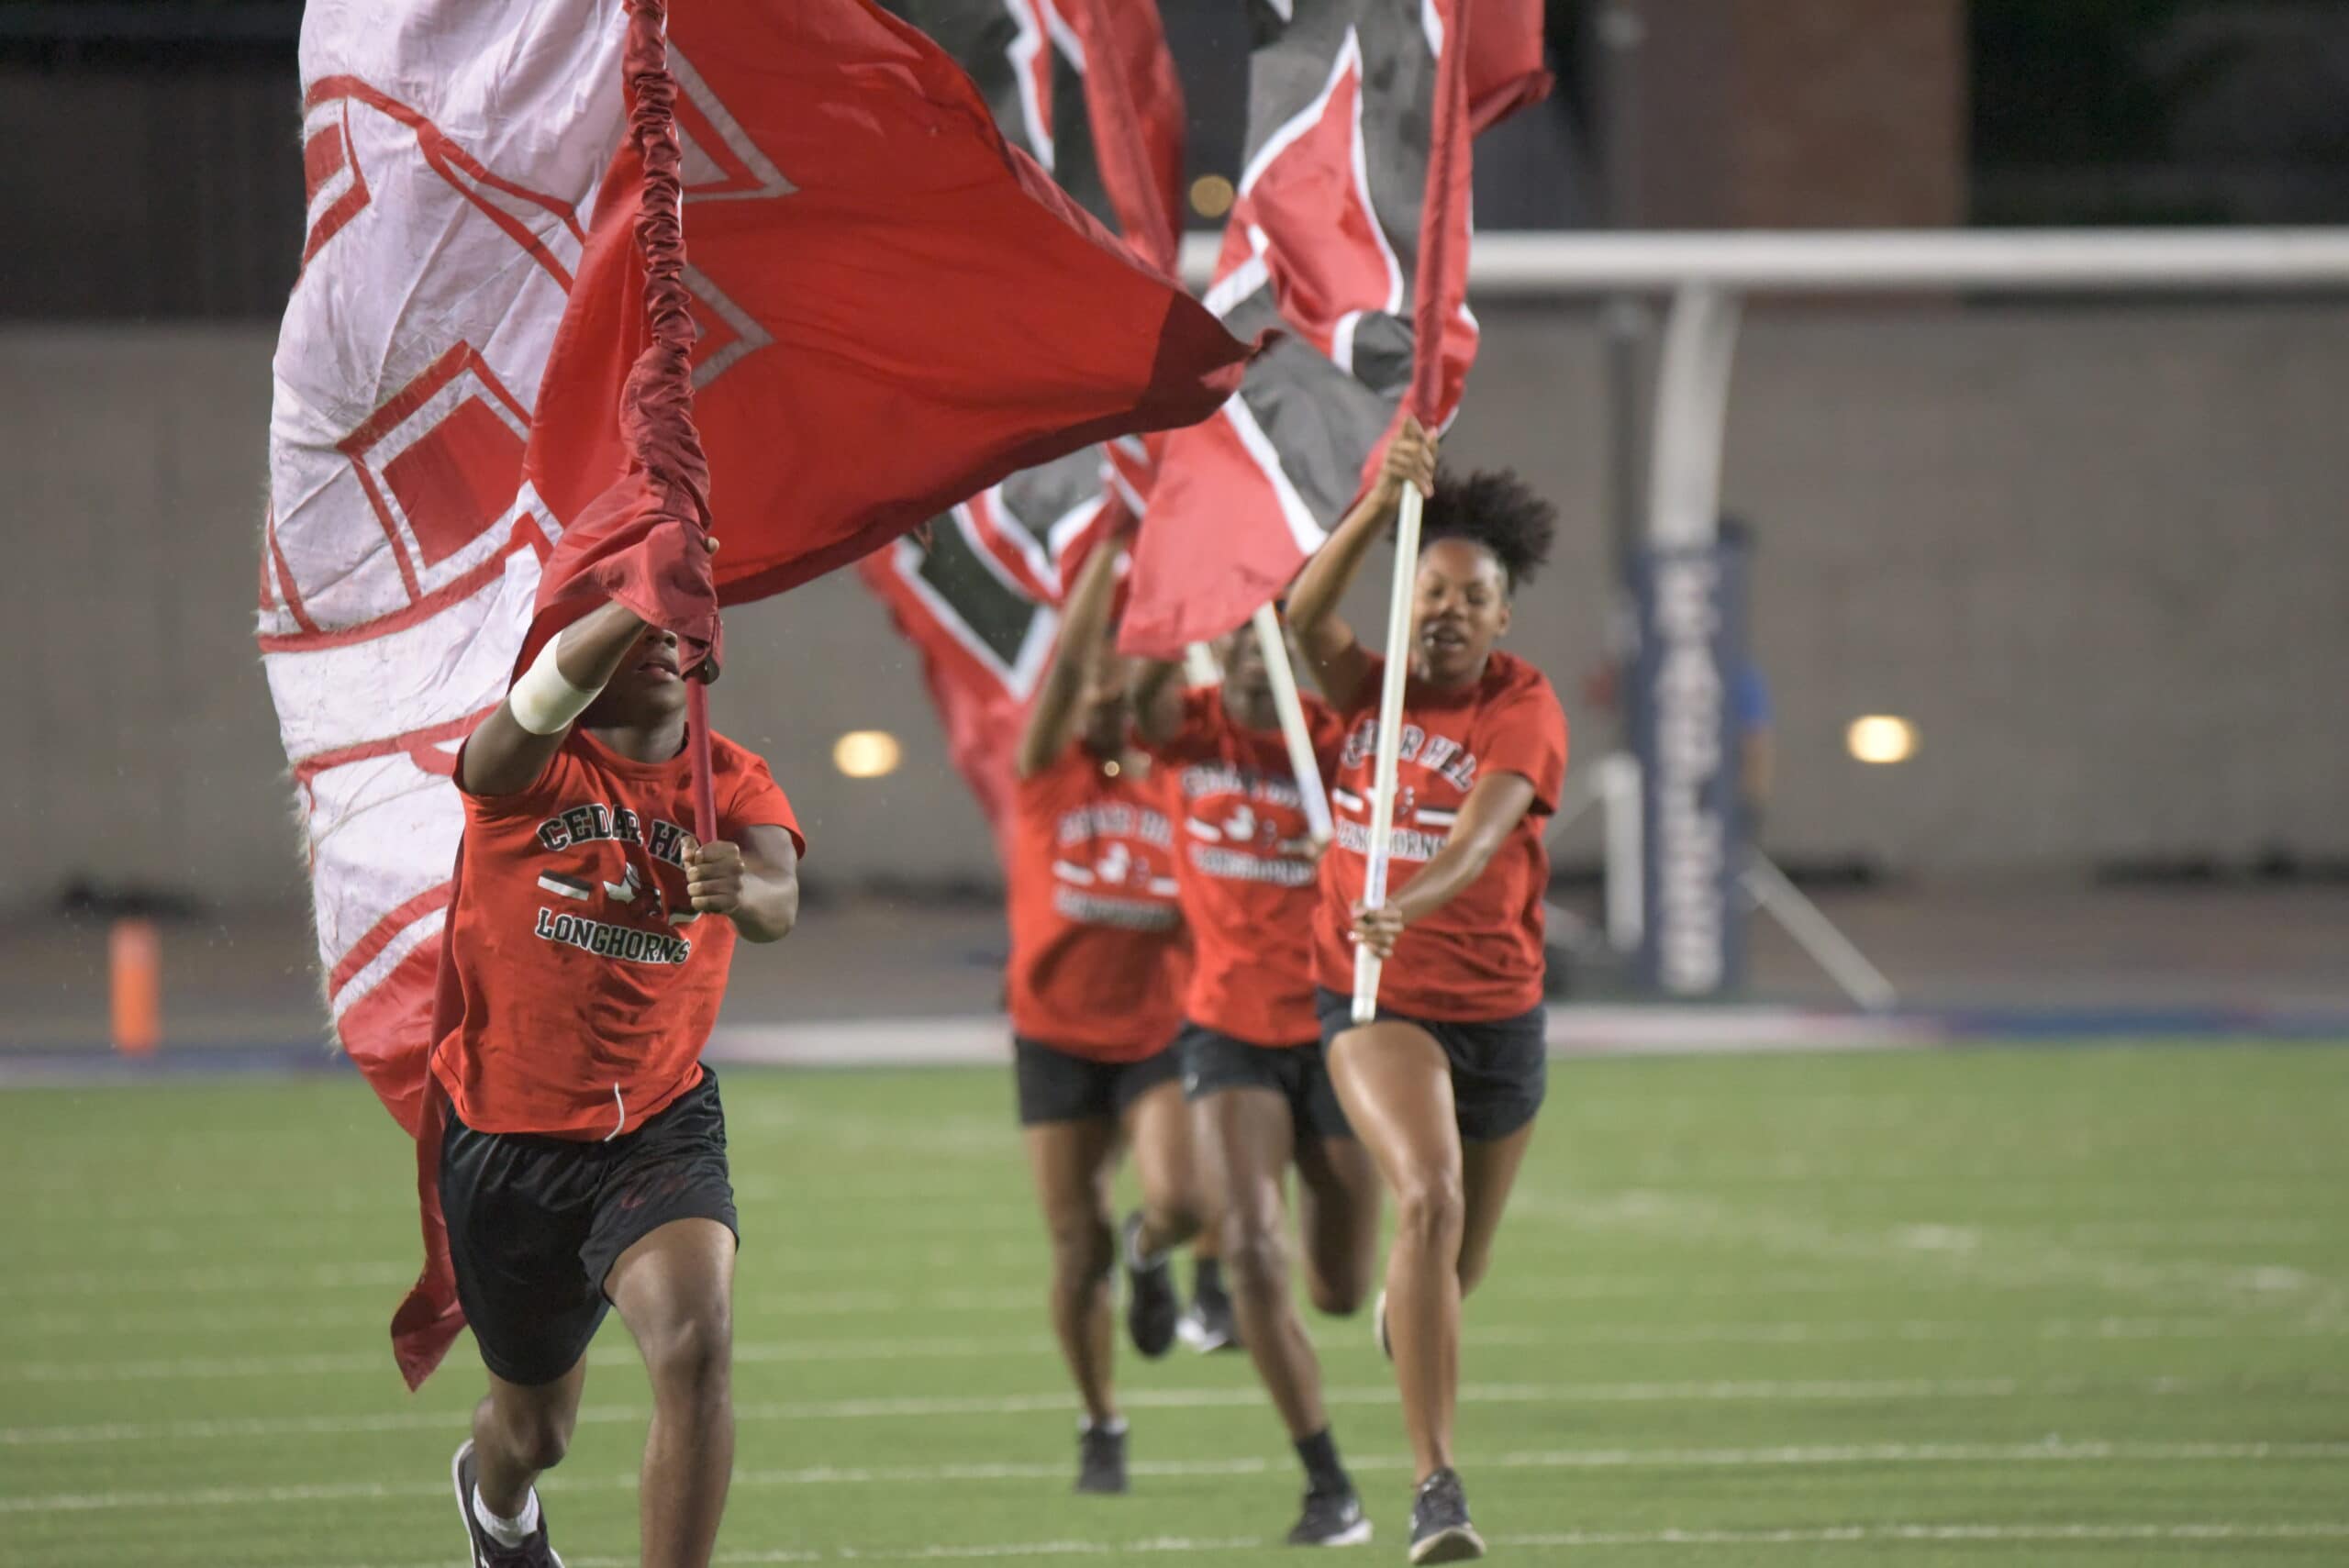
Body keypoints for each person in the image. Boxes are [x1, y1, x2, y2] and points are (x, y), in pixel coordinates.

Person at [436, 548, 805, 1568]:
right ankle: (495, 1495)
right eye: (628, 628)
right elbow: (536, 699)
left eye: (672, 628)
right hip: (509, 1136)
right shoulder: (526, 764)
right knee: (535, 1430)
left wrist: (745, 892)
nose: (652, 642)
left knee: (695, 1346)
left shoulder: (730, 780)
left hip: (656, 1122)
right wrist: (641, 589)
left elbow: (778, 898)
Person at [1286, 419, 1566, 1564]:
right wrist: (1374, 503)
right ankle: (1436, 1488)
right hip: (1370, 994)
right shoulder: (1371, 686)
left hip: (1496, 1007)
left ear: (1504, 613)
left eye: (1472, 595)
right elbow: (1301, 618)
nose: (1447, 609)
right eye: (1431, 587)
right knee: (1430, 1198)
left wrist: (1413, 889)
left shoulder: (1522, 704)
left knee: (1452, 1271)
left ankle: (1420, 1314)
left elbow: (1481, 830)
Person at [1132, 619, 1384, 1547]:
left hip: (1334, 1024)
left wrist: (1356, 856)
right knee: (1249, 1247)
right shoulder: (1188, 726)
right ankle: (1329, 1486)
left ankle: (1158, 1248)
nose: (1252, 650)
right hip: (1227, 1026)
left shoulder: (1331, 745)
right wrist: (1163, 592)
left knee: (1340, 1286)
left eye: (1271, 635)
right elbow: (1138, 692)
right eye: (1240, 634)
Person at [1006, 530, 1202, 1495]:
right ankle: (1099, 1417)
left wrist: (1184, 558)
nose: (1099, 693)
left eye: (1117, 686)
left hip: (1154, 1031)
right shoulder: (1049, 773)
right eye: (1091, 682)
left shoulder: (1170, 778)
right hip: (1054, 1034)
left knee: (1180, 1199)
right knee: (1073, 1242)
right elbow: (1066, 669)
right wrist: (1108, 557)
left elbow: (1158, 660)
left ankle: (1152, 1250)